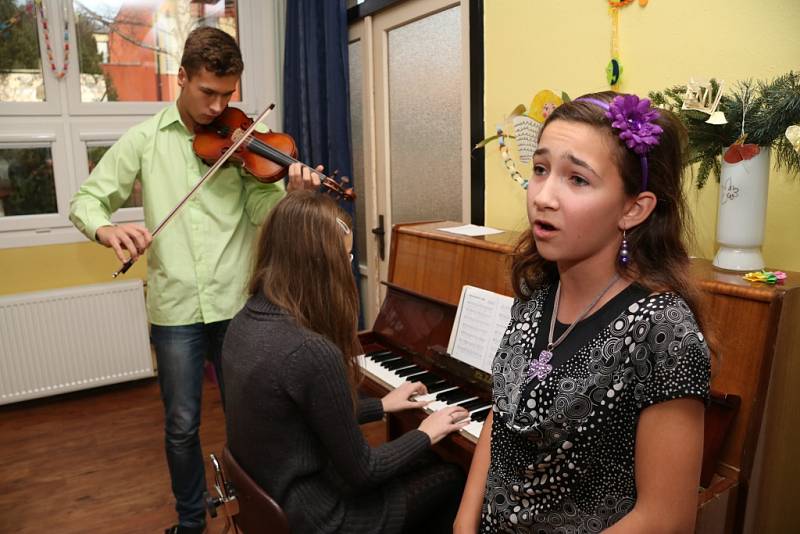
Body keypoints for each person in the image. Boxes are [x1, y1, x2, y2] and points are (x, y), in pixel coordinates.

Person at [69, 27, 318, 534]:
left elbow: (259, 213)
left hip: (236, 304)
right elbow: (85, 202)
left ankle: (260, 512)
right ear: (181, 77)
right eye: (208, 92)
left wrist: (290, 194)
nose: (218, 107)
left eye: (229, 94)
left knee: (250, 418)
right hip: (176, 308)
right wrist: (107, 227)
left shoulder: (243, 143)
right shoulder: (144, 140)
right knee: (182, 427)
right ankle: (190, 521)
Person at [454, 91, 712, 533]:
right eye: (540, 169)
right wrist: (464, 523)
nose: (543, 196)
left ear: (634, 208)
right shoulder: (537, 294)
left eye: (577, 179)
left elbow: (666, 519)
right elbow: (503, 414)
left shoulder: (663, 329)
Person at [222, 190, 469, 533]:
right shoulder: (309, 350)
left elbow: (302, 415)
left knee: (425, 460)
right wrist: (426, 432)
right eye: (348, 256)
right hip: (322, 519)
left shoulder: (243, 322)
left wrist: (380, 406)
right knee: (454, 475)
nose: (349, 267)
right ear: (323, 265)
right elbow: (364, 471)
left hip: (278, 498)